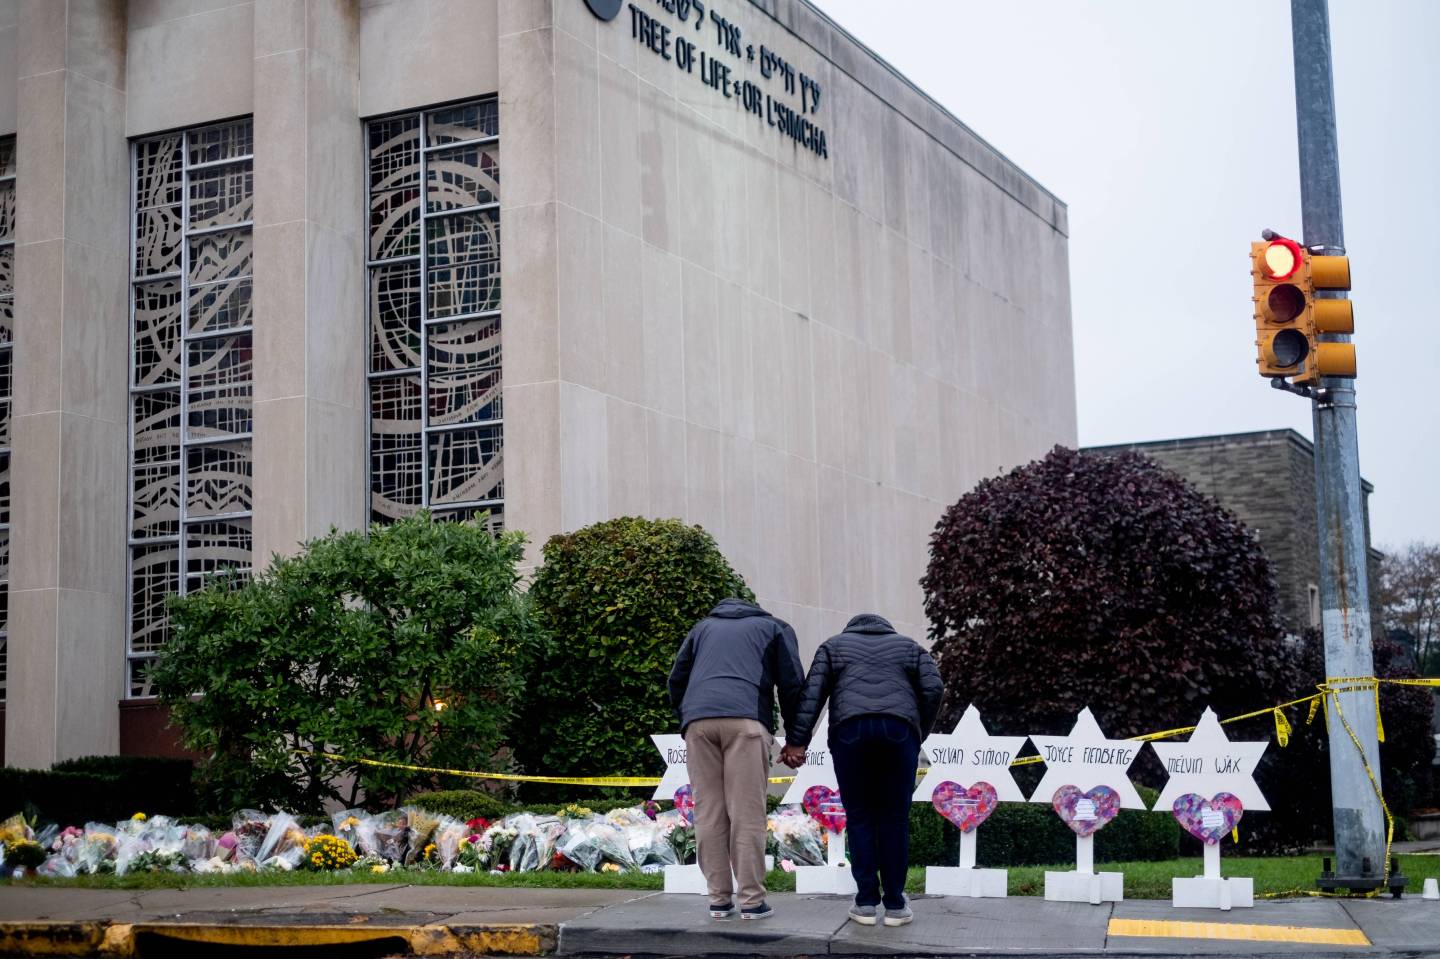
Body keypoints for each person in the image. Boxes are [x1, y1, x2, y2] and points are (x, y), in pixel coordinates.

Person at [781, 613, 944, 927]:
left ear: (851, 629)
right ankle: (896, 905)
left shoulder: (833, 647)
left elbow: (811, 696)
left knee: (859, 816)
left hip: (850, 730)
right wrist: (917, 729)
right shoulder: (909, 647)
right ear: (887, 628)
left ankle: (866, 902)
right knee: (895, 818)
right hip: (899, 732)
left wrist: (797, 742)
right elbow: (934, 688)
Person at [668, 597, 806, 921]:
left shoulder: (702, 628)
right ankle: (752, 901)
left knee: (709, 811)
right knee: (746, 812)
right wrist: (796, 740)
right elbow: (791, 686)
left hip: (699, 724)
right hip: (746, 722)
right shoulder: (774, 628)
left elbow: (677, 679)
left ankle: (718, 900)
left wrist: (687, 720)